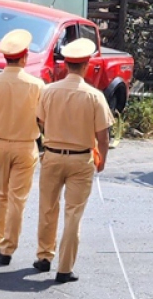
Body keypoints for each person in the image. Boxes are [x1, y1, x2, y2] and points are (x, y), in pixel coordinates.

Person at [34, 37, 112, 284]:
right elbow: (103, 136)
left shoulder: (49, 91)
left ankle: (44, 256)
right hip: (81, 159)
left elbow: (40, 121)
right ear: (87, 65)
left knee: (48, 208)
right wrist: (102, 160)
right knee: (73, 214)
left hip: (53, 155)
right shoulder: (95, 96)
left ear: (66, 64)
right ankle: (64, 268)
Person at [0, 28, 44, 265]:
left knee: (0, 193)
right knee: (18, 198)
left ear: (6, 57)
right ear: (24, 56)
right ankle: (7, 248)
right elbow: (43, 119)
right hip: (26, 145)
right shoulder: (36, 85)